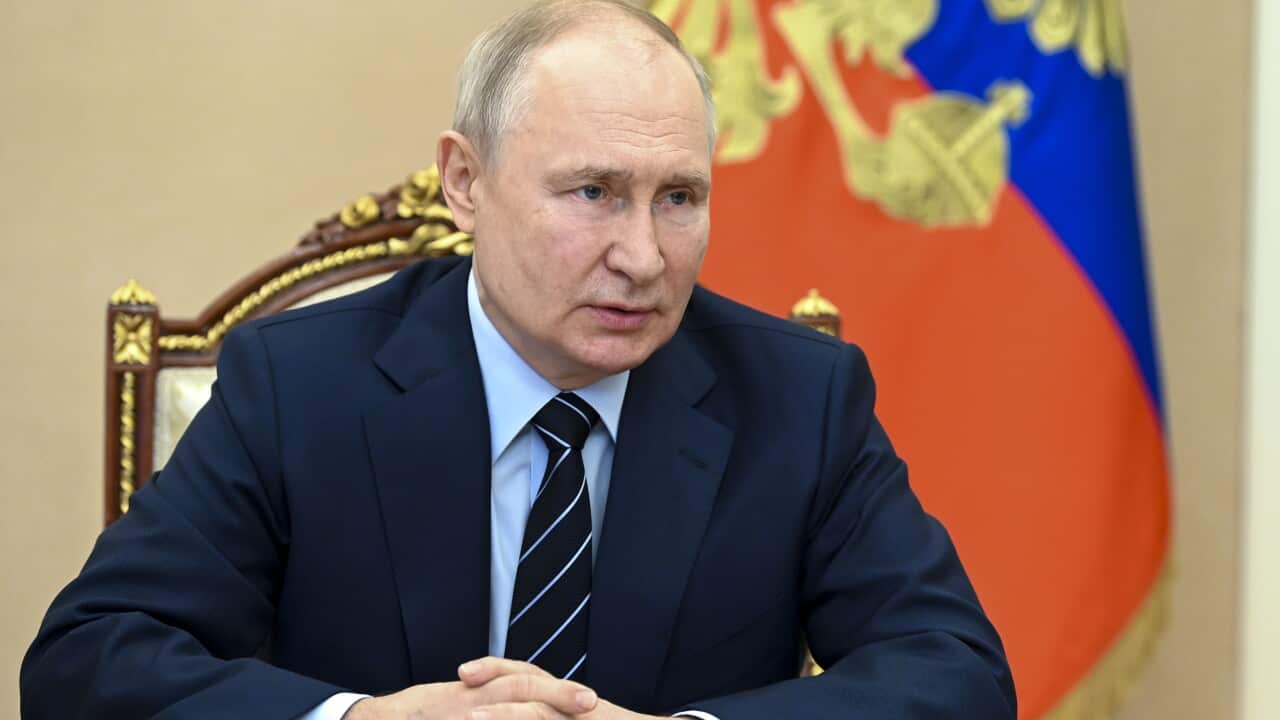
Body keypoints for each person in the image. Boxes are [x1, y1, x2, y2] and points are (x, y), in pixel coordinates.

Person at [21, 1, 1016, 718]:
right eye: (591, 192)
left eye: (678, 197)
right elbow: (89, 660)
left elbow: (955, 675)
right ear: (465, 181)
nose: (642, 255)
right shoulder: (298, 385)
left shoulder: (797, 398)